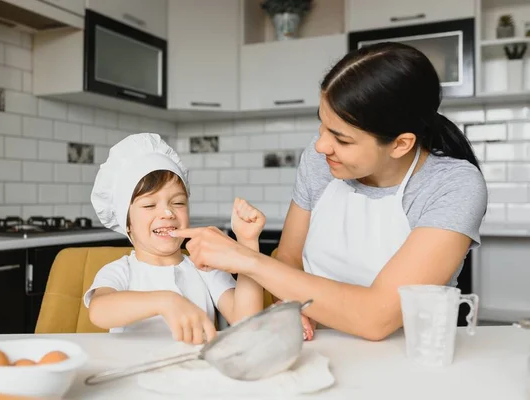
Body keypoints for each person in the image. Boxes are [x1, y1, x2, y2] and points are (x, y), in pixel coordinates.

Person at [170, 42, 488, 341]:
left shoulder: (452, 185)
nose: (322, 145)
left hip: (413, 355)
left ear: (400, 144)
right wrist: (290, 305)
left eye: (342, 138)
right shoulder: (321, 160)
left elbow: (377, 317)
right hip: (318, 345)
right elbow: (289, 255)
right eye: (322, 125)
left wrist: (247, 259)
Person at [84, 133, 264, 344]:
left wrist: (248, 244)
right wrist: (165, 301)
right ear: (128, 223)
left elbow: (247, 321)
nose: (168, 213)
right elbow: (99, 311)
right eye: (150, 205)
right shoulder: (120, 271)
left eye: (178, 203)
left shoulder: (205, 268)